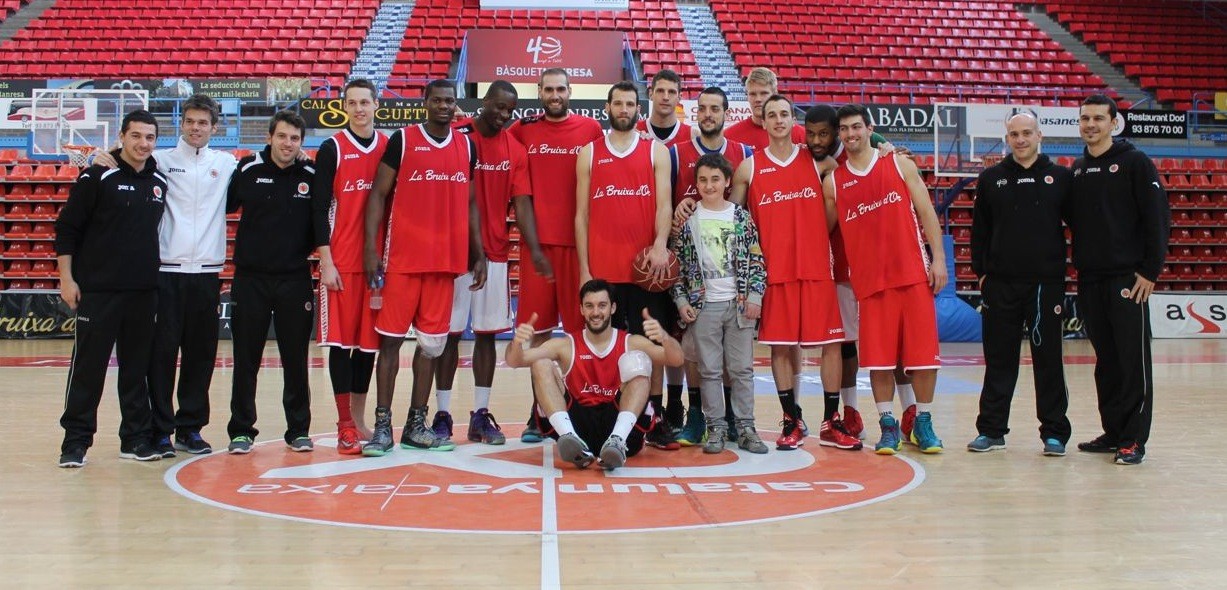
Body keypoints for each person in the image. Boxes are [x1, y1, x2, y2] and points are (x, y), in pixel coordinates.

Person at [92, 95, 235, 457]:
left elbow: (266, 164)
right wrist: (103, 156)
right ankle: (160, 430)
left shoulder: (227, 163)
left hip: (206, 273)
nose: (196, 128)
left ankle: (191, 429)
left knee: (201, 356)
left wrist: (297, 156)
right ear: (181, 124)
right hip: (165, 272)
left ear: (214, 128)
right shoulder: (160, 160)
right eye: (190, 121)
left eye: (203, 123)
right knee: (161, 355)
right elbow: (127, 156)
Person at [361, 79, 485, 456]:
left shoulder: (466, 146)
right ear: (425, 103)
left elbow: (469, 204)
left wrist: (476, 252)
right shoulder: (403, 140)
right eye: (437, 100)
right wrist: (371, 249)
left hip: (444, 264)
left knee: (431, 347)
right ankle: (383, 426)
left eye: (449, 101)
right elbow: (378, 195)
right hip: (402, 261)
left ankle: (417, 424)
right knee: (391, 344)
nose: (444, 106)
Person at [729, 94, 854, 451]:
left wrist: (885, 145)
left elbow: (855, 162)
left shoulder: (819, 162)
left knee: (831, 345)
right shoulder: (748, 168)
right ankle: (791, 419)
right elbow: (735, 224)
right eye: (772, 115)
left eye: (785, 114)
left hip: (817, 270)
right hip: (775, 274)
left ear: (791, 120)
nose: (779, 120)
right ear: (763, 122)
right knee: (781, 348)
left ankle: (832, 421)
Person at [823, 104, 947, 455]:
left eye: (856, 127)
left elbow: (927, 214)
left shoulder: (899, 163)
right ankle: (888, 424)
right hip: (870, 284)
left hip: (912, 275)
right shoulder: (834, 181)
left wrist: (938, 259)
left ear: (870, 128)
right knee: (877, 361)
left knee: (923, 358)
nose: (851, 134)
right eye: (844, 129)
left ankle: (923, 421)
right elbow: (819, 230)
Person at [429, 80, 546, 446]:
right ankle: (442, 414)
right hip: (454, 254)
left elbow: (522, 203)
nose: (504, 114)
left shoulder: (515, 148)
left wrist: (536, 248)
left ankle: (480, 414)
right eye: (498, 106)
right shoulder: (458, 136)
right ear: (484, 102)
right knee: (447, 336)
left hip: (494, 254)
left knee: (486, 335)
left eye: (510, 110)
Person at [55, 110, 168, 467]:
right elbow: (67, 229)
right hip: (98, 291)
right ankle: (75, 442)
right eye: (136, 136)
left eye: (149, 137)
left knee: (137, 370)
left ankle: (134, 439)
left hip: (143, 292)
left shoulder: (160, 181)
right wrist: (66, 278)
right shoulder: (97, 175)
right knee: (88, 368)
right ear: (121, 136)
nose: (143, 143)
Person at [802, 104, 917, 442]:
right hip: (838, 265)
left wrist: (887, 145)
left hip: (881, 264)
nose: (817, 138)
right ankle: (850, 409)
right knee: (845, 343)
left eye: (825, 132)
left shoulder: (876, 152)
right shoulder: (806, 156)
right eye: (812, 133)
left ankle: (910, 410)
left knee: (892, 343)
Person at [575, 80, 678, 450]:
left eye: (630, 104)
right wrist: (585, 269)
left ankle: (654, 413)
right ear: (607, 107)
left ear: (639, 108)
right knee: (606, 350)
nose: (624, 109)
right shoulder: (589, 153)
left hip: (644, 273)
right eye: (617, 103)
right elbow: (581, 215)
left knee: (648, 346)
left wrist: (661, 245)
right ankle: (607, 413)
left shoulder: (657, 151)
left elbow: (665, 204)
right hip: (603, 274)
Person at [1068, 94, 1170, 466]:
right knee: (1106, 361)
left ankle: (1133, 439)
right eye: (1085, 118)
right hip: (1091, 278)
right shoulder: (1078, 169)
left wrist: (1149, 271)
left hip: (1129, 278)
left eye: (1098, 118)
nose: (1090, 124)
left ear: (1114, 123)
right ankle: (1113, 431)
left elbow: (1157, 219)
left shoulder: (1136, 163)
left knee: (1132, 361)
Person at [968, 111, 1074, 456]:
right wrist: (982, 273)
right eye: (1014, 134)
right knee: (999, 360)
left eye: (1027, 133)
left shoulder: (1061, 177)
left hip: (1046, 285)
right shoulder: (990, 179)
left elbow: (1080, 228)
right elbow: (979, 231)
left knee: (1048, 360)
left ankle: (1055, 433)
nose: (1021, 139)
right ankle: (991, 430)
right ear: (1007, 137)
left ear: (1039, 135)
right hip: (1000, 285)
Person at [507, 68, 604, 442]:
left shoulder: (590, 131)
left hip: (580, 247)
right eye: (548, 89)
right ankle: (540, 415)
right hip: (539, 251)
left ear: (570, 91)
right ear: (539, 92)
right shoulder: (524, 131)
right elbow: (489, 134)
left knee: (583, 333)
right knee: (537, 334)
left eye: (560, 88)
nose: (554, 94)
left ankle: (582, 409)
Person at [225, 110, 330, 455]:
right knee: (246, 358)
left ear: (302, 143)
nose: (288, 144)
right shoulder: (247, 169)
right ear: (269, 137)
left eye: (295, 138)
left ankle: (298, 429)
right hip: (250, 279)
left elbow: (322, 218)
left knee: (296, 359)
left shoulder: (310, 174)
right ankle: (241, 430)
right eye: (282, 136)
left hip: (294, 278)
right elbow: (222, 204)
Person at [505, 279, 684, 470]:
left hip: (618, 419)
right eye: (589, 306)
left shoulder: (630, 342)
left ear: (613, 308)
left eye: (602, 305)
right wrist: (516, 343)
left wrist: (664, 337)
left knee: (638, 361)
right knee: (540, 363)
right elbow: (515, 361)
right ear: (581, 309)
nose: (596, 312)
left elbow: (676, 359)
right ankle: (569, 438)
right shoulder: (566, 345)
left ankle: (617, 440)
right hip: (578, 424)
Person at [665, 86, 754, 444]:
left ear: (725, 112)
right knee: (700, 360)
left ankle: (736, 419)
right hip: (698, 289)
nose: (708, 114)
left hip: (735, 291)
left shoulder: (743, 154)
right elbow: (664, 202)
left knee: (738, 366)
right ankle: (701, 416)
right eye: (701, 108)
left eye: (715, 108)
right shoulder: (676, 155)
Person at [670, 153, 769, 454]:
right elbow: (678, 267)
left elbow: (756, 259)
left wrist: (755, 295)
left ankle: (746, 427)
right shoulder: (688, 221)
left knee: (741, 370)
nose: (709, 185)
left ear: (727, 181)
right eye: (702, 179)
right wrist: (681, 300)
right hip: (704, 307)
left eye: (715, 179)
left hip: (738, 305)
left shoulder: (740, 216)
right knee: (709, 370)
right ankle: (715, 428)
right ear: (695, 184)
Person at [311, 79, 386, 454]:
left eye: (364, 102)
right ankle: (343, 425)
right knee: (341, 346)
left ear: (376, 105)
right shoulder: (332, 149)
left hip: (377, 269)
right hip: (341, 263)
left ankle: (358, 420)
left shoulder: (390, 147)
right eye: (352, 103)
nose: (358, 109)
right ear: (344, 108)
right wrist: (326, 261)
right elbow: (318, 209)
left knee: (368, 348)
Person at [723, 67, 806, 150]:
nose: (758, 99)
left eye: (764, 93)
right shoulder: (729, 137)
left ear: (775, 94)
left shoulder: (801, 136)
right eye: (752, 94)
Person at [635, 69, 692, 147]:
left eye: (671, 92)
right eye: (660, 91)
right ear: (651, 94)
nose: (665, 97)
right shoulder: (634, 131)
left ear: (679, 97)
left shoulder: (692, 136)